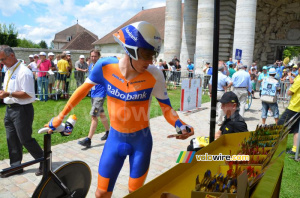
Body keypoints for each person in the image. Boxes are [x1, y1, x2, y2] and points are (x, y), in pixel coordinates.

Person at [44, 21, 194, 197]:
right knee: (101, 193)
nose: (150, 61)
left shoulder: (154, 74)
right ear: (130, 50)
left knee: (135, 193)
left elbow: (167, 109)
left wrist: (180, 124)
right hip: (115, 140)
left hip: (141, 142)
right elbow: (81, 90)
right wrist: (60, 117)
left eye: (153, 55)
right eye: (146, 54)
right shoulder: (105, 67)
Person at [0, 45, 43, 177]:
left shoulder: (24, 71)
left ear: (12, 55)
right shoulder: (8, 70)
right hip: (10, 109)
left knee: (25, 139)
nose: (1, 62)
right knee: (11, 138)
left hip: (22, 110)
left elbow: (29, 94)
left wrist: (8, 94)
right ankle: (16, 166)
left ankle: (44, 161)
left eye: (3, 59)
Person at [77, 50, 110, 147]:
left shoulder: (101, 66)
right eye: (92, 56)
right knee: (102, 114)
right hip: (93, 94)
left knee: (94, 116)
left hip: (100, 94)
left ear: (99, 56)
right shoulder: (91, 66)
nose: (93, 58)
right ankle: (108, 132)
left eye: (95, 56)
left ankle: (88, 139)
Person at [278, 63, 300, 155]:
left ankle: (274, 146)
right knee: (296, 129)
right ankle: (295, 149)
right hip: (298, 108)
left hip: (294, 107)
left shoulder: (299, 79)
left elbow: (289, 92)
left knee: (280, 126)